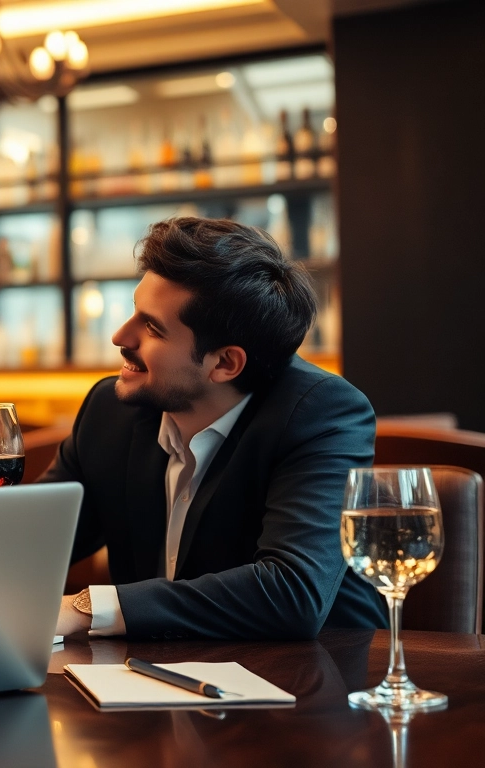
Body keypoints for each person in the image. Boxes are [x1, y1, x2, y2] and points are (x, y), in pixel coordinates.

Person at [44, 216, 384, 641]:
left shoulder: (322, 415)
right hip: (139, 683)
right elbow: (32, 544)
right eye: (134, 311)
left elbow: (291, 593)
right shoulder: (110, 410)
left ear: (224, 363)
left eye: (151, 327)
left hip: (308, 683)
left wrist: (86, 607)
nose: (120, 335)